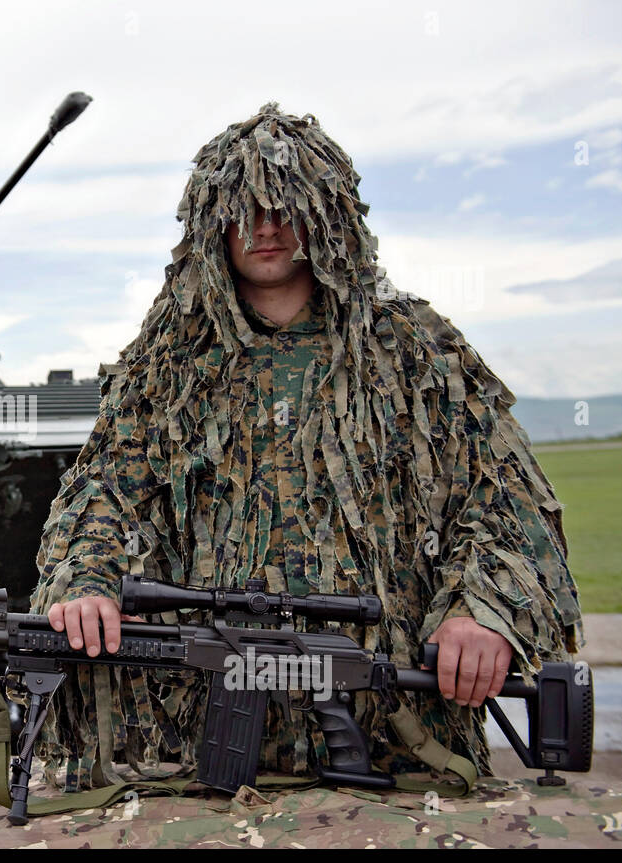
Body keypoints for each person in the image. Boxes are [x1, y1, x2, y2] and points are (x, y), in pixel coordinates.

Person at [28, 102, 582, 791]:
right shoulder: (166, 364)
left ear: (327, 213)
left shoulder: (413, 349)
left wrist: (481, 610)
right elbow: (103, 489)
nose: (264, 226)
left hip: (402, 745)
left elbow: (509, 497)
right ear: (209, 223)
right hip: (205, 755)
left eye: (285, 204)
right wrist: (87, 579)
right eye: (242, 208)